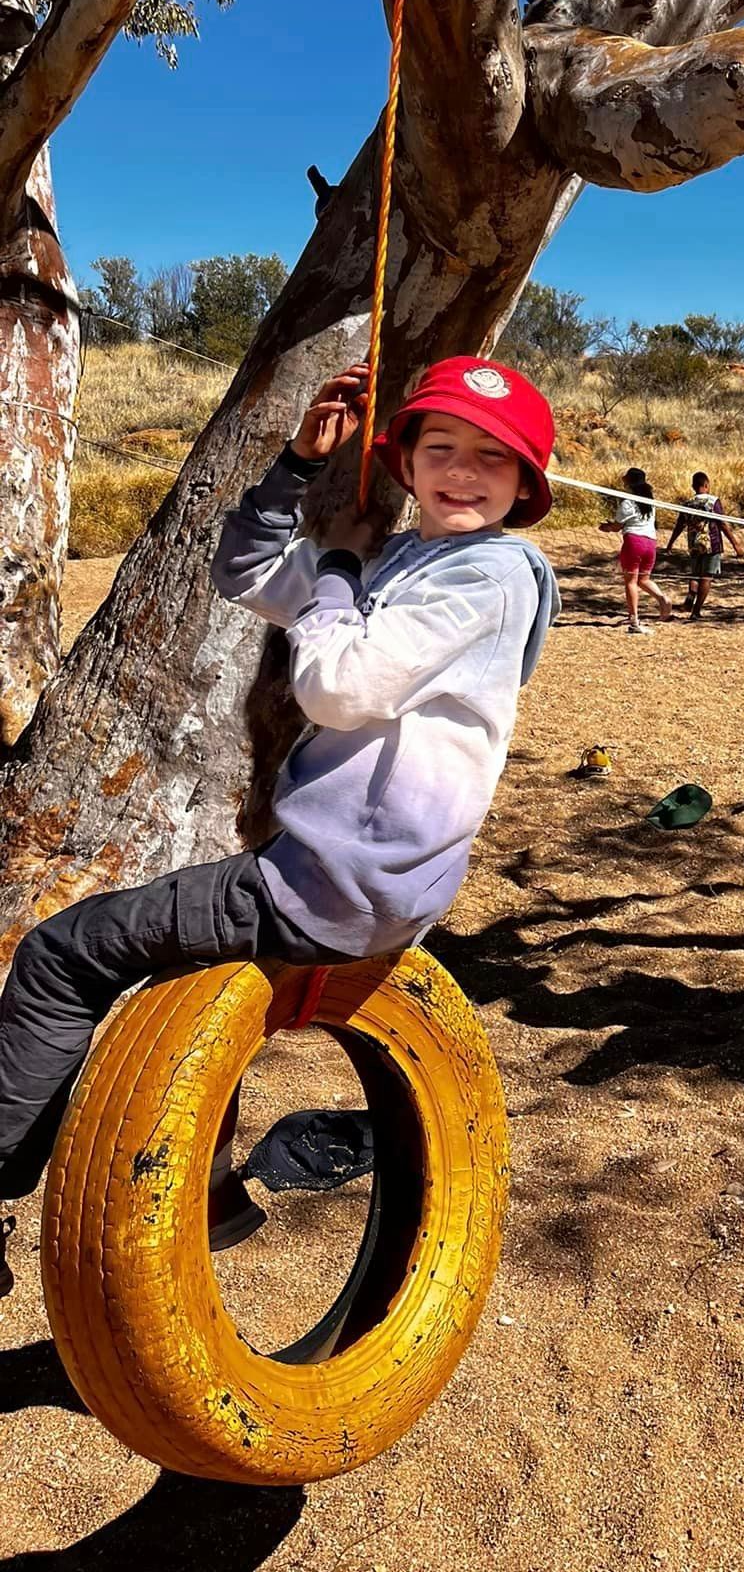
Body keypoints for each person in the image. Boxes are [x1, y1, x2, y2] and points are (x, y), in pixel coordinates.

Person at [0, 355, 560, 1301]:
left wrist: (339, 568)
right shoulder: (407, 558)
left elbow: (338, 688)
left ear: (527, 482)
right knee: (179, 988)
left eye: (491, 459)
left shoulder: (495, 573)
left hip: (338, 879)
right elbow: (247, 570)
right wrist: (298, 469)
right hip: (340, 867)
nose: (463, 473)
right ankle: (208, 1188)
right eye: (442, 448)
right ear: (407, 460)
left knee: (63, 953)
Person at [666, 469, 744, 619]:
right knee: (706, 577)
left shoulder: (688, 503)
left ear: (693, 486)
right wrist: (735, 544)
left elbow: (679, 525)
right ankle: (696, 611)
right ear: (706, 485)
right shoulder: (713, 501)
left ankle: (689, 603)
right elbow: (721, 524)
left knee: (695, 575)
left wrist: (671, 542)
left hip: (694, 544)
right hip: (711, 543)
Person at [602, 466, 672, 634]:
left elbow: (617, 526)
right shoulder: (650, 502)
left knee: (631, 582)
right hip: (651, 543)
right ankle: (663, 599)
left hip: (634, 542)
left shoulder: (628, 502)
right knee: (643, 579)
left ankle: (634, 620)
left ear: (630, 481)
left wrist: (606, 527)